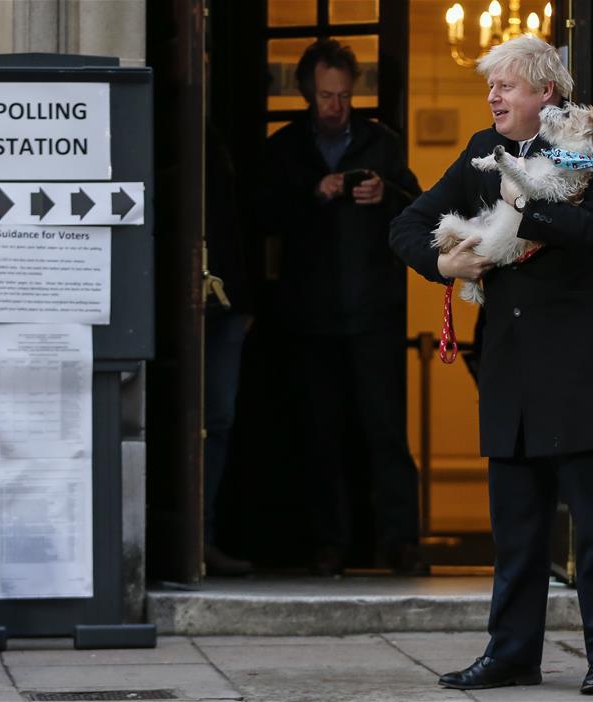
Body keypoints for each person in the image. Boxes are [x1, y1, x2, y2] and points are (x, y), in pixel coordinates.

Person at [389, 36, 593, 695]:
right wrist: (446, 263)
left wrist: (522, 203)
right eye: (491, 87)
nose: (493, 97)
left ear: (545, 93)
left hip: (587, 368)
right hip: (511, 367)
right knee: (517, 531)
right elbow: (406, 225)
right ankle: (511, 655)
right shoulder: (482, 154)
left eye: (507, 85)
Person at [263, 39, 425, 576]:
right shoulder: (285, 148)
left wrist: (386, 194)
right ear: (308, 93)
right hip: (310, 316)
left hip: (374, 310)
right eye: (326, 96)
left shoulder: (382, 143)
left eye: (343, 96)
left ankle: (402, 542)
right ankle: (328, 546)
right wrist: (315, 191)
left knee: (386, 432)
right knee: (321, 436)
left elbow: (418, 209)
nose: (336, 106)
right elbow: (262, 218)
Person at [203, 120, 255, 576]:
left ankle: (204, 537)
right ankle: (192, 540)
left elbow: (238, 225)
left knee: (218, 420)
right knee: (193, 422)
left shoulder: (218, 144)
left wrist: (243, 298)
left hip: (225, 303)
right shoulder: (177, 133)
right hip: (182, 307)